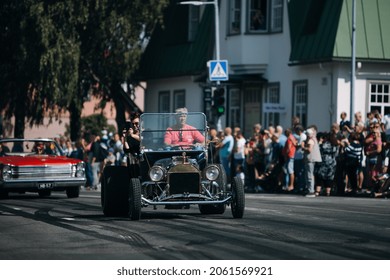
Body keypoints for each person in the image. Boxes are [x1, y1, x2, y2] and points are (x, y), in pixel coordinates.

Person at [315, 132, 337, 196]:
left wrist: (319, 143)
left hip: (323, 162)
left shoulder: (324, 145)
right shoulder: (334, 145)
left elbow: (318, 149)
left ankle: (317, 191)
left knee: (319, 176)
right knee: (329, 177)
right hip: (332, 163)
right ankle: (328, 191)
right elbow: (336, 154)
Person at [303, 128, 322, 197]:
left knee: (309, 175)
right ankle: (310, 189)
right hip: (312, 159)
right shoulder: (314, 139)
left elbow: (309, 150)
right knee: (310, 175)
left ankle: (311, 191)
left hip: (310, 159)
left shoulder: (310, 141)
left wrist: (303, 147)